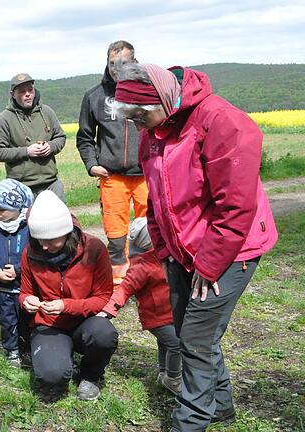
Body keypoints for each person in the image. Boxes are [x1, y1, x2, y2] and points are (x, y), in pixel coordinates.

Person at [108, 63, 278, 431]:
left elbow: (236, 207)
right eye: (131, 120)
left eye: (140, 117)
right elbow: (155, 197)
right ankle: (221, 408)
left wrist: (209, 264)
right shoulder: (153, 129)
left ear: (165, 101)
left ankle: (190, 422)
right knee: (189, 332)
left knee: (197, 340)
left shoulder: (222, 122)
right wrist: (165, 250)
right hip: (180, 249)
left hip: (232, 248)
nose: (138, 127)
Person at [19, 191, 118, 401]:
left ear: (67, 232)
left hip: (86, 321)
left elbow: (103, 297)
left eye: (50, 240)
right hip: (49, 323)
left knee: (104, 335)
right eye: (39, 240)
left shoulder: (94, 249)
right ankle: (61, 358)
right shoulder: (30, 252)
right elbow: (25, 291)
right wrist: (26, 301)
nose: (44, 246)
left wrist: (66, 306)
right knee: (51, 375)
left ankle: (91, 374)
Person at [76, 40, 147, 284]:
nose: (117, 69)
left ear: (134, 62)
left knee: (150, 227)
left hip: (146, 174)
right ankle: (119, 280)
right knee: (116, 232)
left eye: (124, 63)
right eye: (112, 64)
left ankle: (149, 276)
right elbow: (85, 137)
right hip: (112, 176)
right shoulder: (94, 96)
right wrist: (91, 164)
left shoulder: (147, 90)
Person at [98, 217, 181, 395]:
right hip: (157, 318)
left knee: (164, 344)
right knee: (176, 344)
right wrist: (108, 310)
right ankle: (174, 378)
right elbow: (125, 288)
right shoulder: (142, 266)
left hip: (170, 313)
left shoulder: (164, 256)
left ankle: (163, 373)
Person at [0, 178, 34, 367]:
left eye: (2, 209)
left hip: (24, 287)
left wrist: (19, 270)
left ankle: (27, 348)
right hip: (3, 288)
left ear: (17, 207)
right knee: (7, 319)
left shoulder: (28, 227)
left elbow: (34, 254)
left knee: (26, 319)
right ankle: (11, 349)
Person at [0, 73, 67, 199]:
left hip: (51, 184)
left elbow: (61, 137)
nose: (27, 94)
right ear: (12, 94)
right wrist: (27, 151)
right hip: (20, 187)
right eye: (22, 91)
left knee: (58, 218)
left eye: (30, 90)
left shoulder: (47, 112)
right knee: (26, 219)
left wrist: (51, 146)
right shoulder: (4, 119)